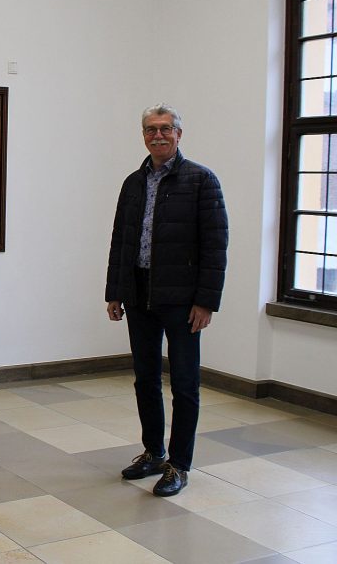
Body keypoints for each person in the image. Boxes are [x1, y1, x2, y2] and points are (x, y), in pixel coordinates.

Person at [106, 103, 228, 497]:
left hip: (182, 299)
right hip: (139, 293)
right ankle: (154, 451)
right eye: (150, 130)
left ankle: (179, 464)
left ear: (179, 134)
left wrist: (206, 301)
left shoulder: (202, 181)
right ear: (143, 135)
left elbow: (215, 246)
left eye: (164, 129)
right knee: (145, 379)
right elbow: (120, 242)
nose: (157, 135)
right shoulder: (133, 182)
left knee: (185, 385)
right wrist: (115, 292)